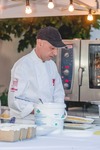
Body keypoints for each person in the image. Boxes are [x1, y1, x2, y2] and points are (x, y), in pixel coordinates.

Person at [8, 26, 66, 124]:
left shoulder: (52, 65)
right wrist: (41, 111)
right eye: (52, 48)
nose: (55, 53)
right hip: (26, 123)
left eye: (56, 49)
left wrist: (58, 110)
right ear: (40, 43)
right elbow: (14, 100)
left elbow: (58, 92)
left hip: (50, 121)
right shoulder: (23, 66)